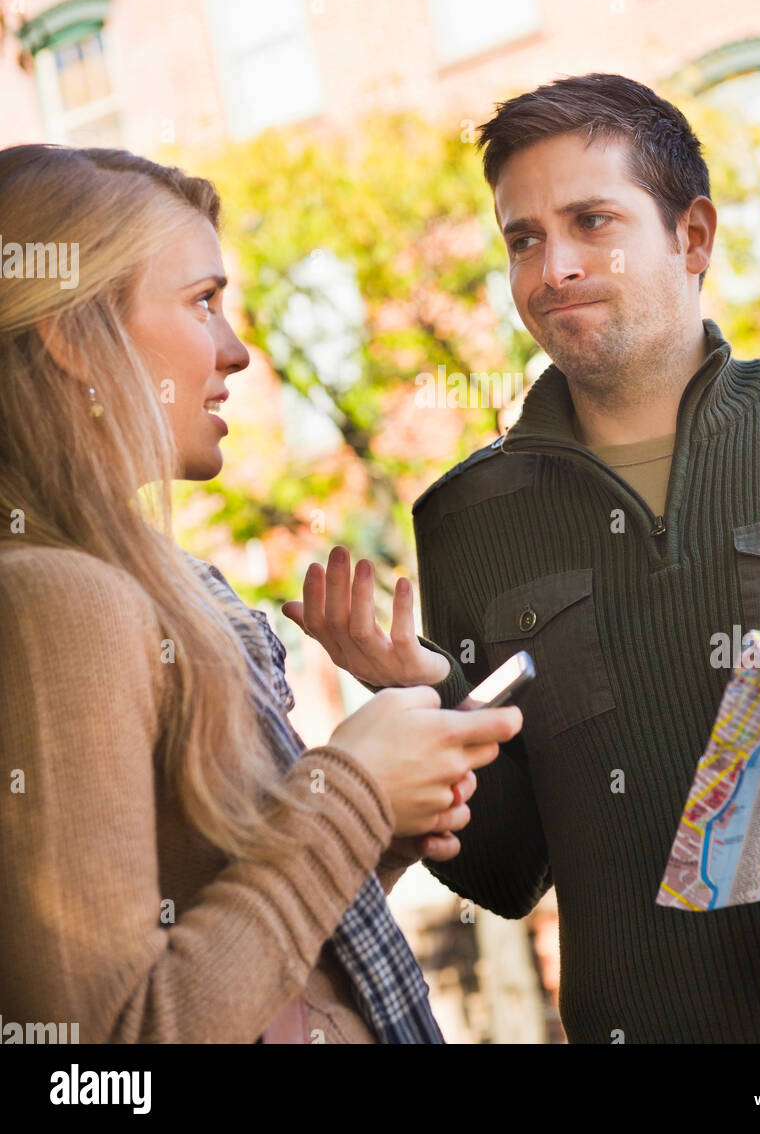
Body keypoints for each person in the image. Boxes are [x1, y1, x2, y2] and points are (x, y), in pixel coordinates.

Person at [286, 72, 760, 1044]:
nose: (554, 268)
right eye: (524, 238)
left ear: (693, 236)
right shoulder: (467, 520)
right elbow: (502, 869)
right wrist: (425, 697)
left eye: (593, 220)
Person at [0, 143, 521, 1045]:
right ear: (74, 335)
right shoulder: (56, 600)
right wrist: (350, 792)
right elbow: (101, 1060)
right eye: (202, 301)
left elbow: (238, 966)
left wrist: (372, 837)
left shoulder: (154, 588)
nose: (237, 351)